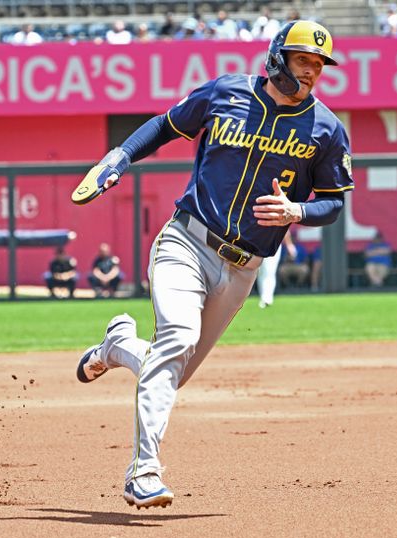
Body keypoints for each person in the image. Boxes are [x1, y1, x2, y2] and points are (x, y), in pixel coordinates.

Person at [74, 21, 352, 510]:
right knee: (176, 340)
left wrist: (297, 212)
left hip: (244, 268)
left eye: (318, 65)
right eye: (303, 60)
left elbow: (332, 202)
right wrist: (120, 156)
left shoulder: (326, 129)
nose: (311, 72)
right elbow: (165, 124)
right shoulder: (226, 92)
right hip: (187, 240)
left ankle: (118, 347)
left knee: (171, 372)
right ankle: (143, 471)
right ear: (277, 57)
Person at [256, 231, 295, 308]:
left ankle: (266, 299)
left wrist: (289, 244)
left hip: (273, 242)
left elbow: (285, 227)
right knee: (260, 272)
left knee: (269, 271)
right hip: (257, 242)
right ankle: (263, 297)